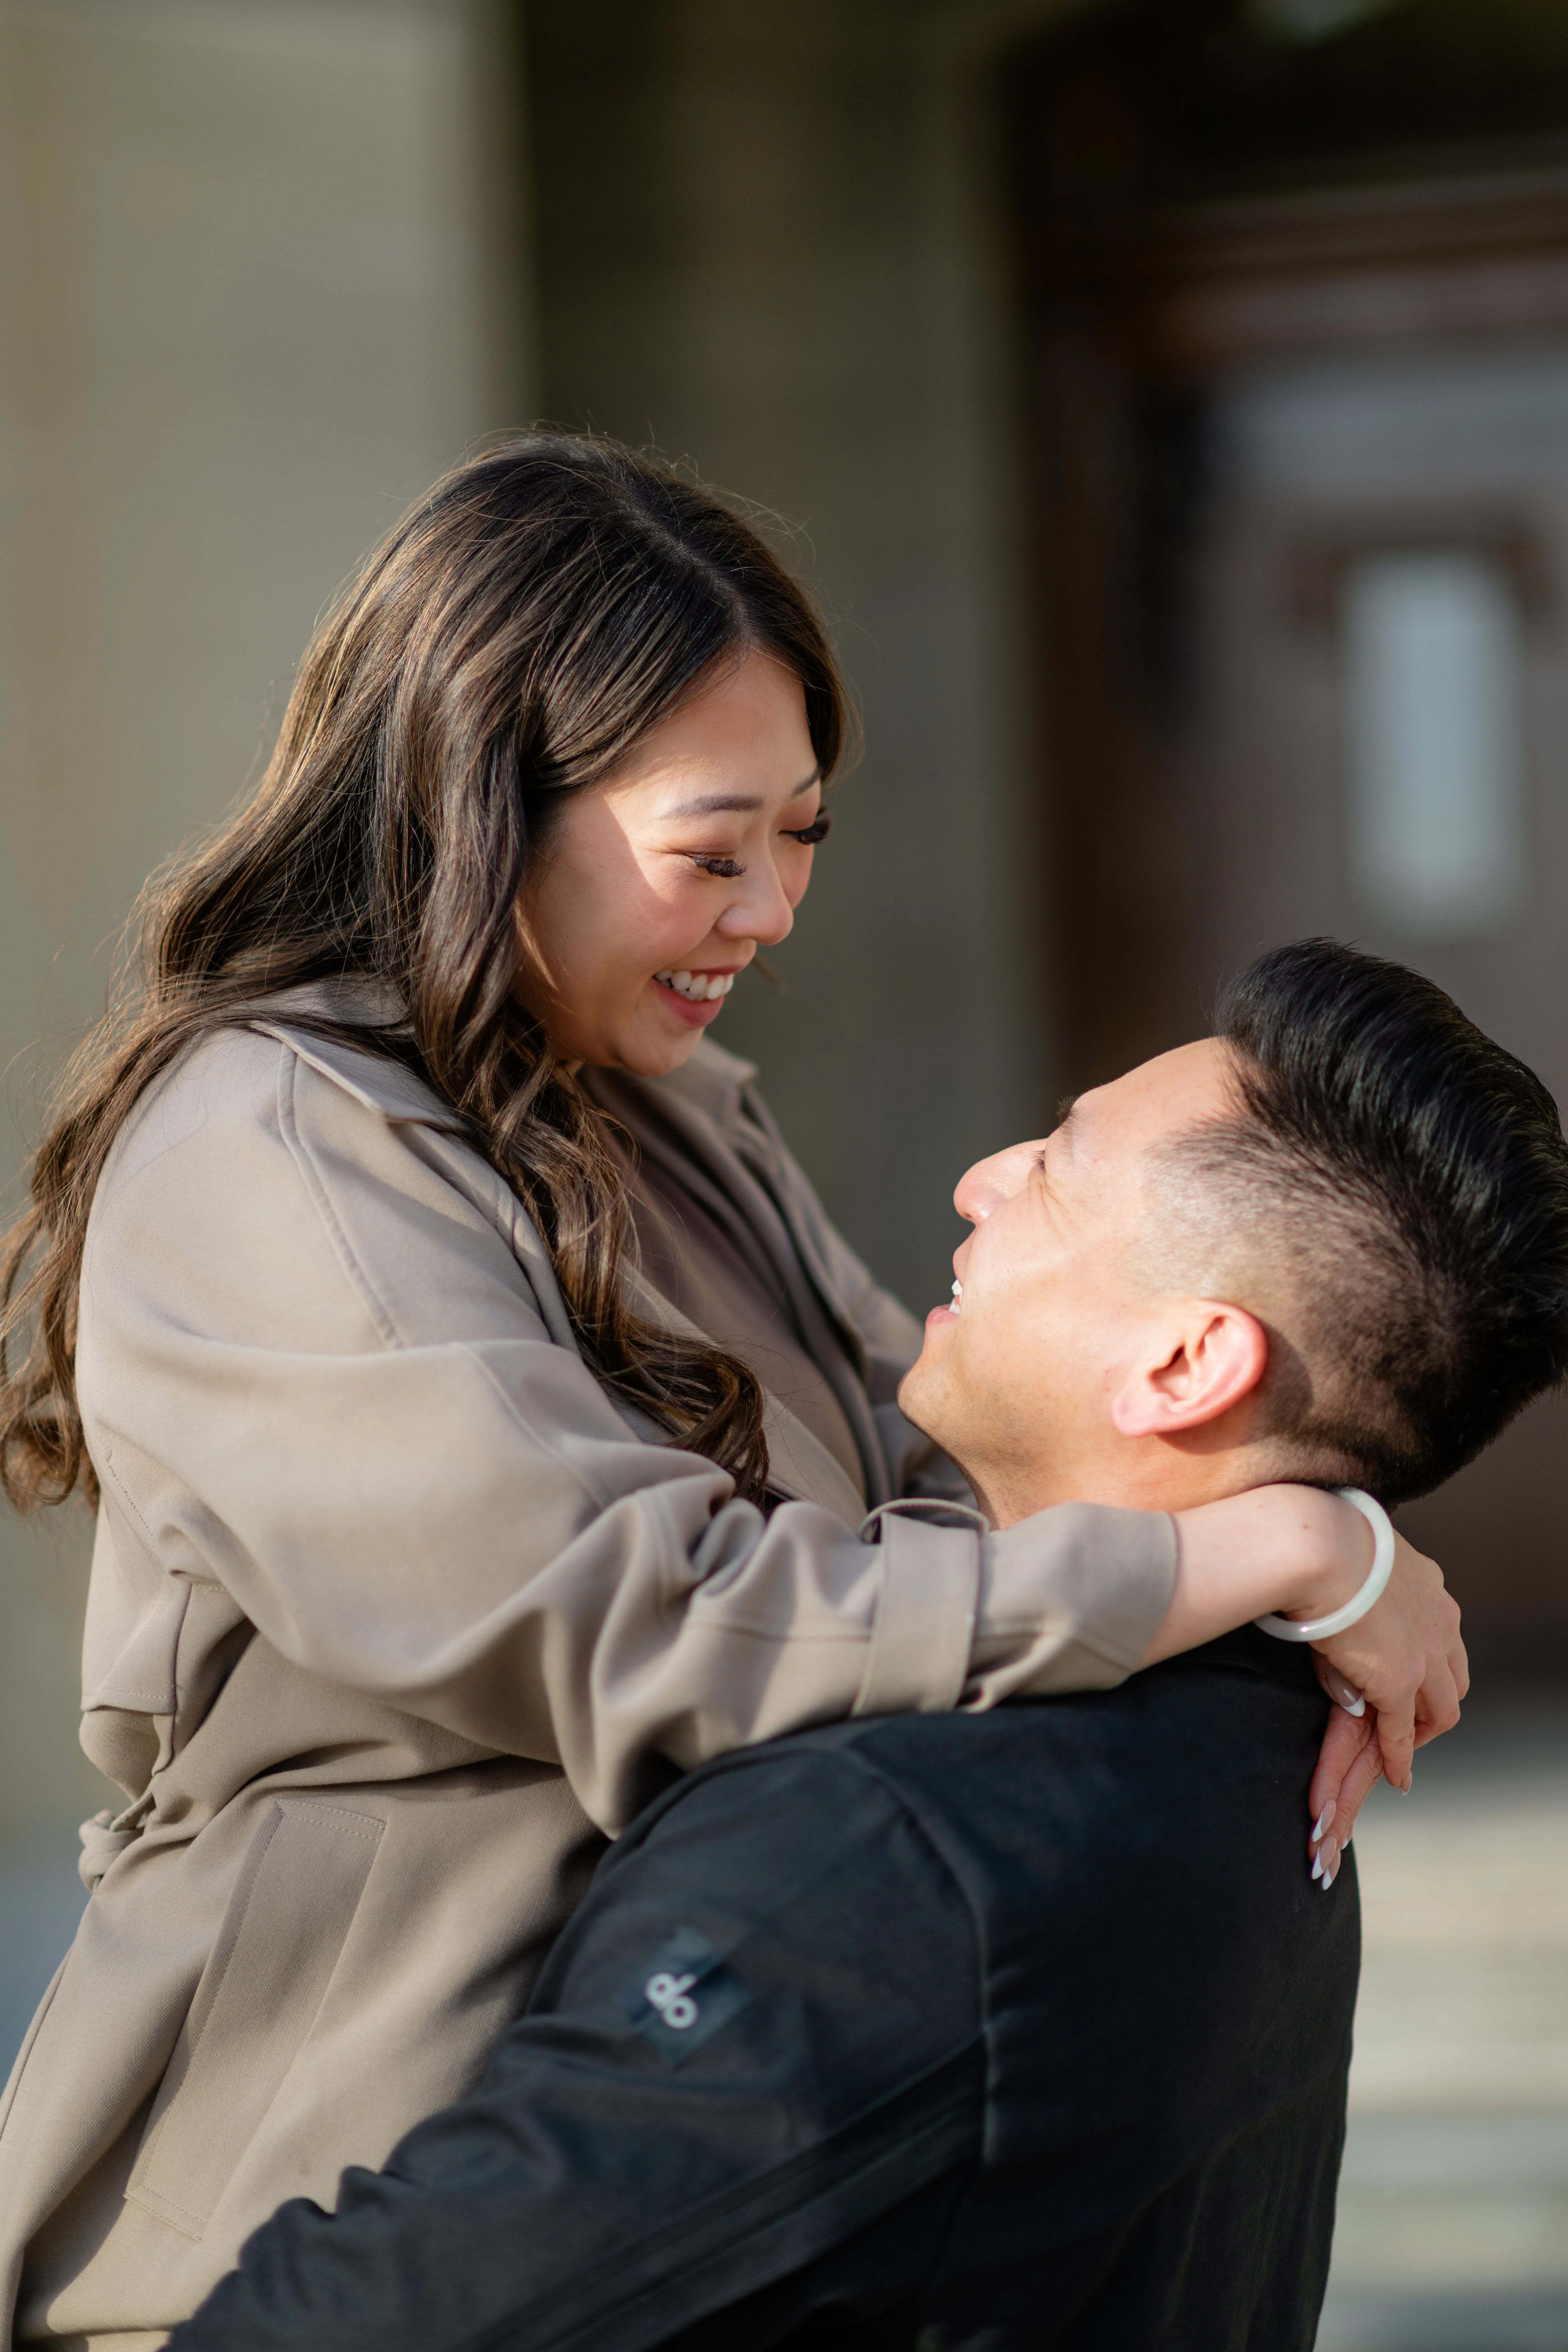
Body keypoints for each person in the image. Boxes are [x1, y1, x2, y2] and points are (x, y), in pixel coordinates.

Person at [0, 441, 1455, 2346]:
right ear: (477, 804)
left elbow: (945, 1460)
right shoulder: (275, 1139)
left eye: (806, 835)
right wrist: (1247, 1545)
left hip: (664, 2183)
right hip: (305, 2248)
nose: (771, 907)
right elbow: (637, 1612)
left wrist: (1316, 1524)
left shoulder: (676, 1107)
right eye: (712, 846)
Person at [166, 939, 1565, 2352]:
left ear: (1182, 1366)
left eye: (1056, 1169)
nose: (982, 1179)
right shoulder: (1273, 1725)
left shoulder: (895, 1845)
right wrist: (1327, 1540)